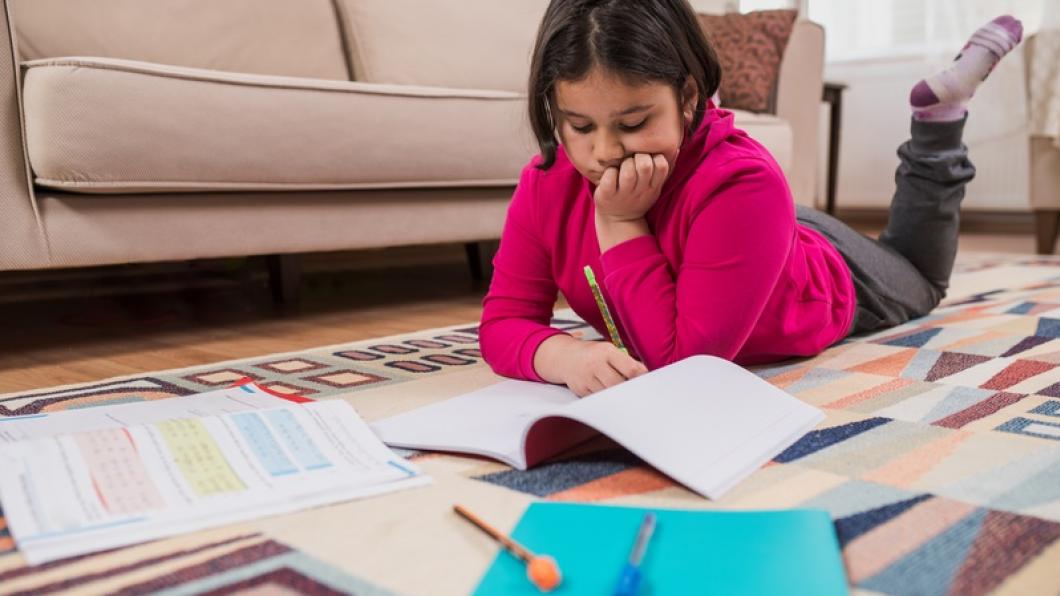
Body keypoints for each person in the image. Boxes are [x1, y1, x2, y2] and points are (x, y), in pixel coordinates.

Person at [479, 0, 1023, 397]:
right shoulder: (547, 179)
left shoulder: (743, 183)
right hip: (747, 232)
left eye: (634, 122)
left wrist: (622, 223)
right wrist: (564, 355)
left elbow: (683, 365)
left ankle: (937, 123)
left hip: (822, 271)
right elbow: (502, 323)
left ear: (688, 96)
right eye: (578, 125)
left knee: (921, 279)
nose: (603, 154)